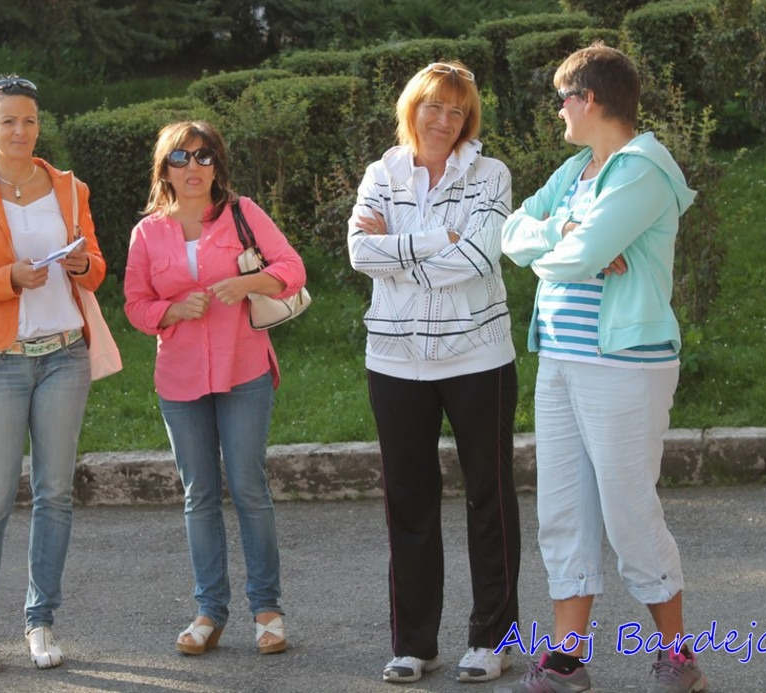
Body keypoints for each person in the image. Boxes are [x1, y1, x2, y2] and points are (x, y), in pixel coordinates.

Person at [500, 43, 703, 693]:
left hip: (623, 364)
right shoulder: (575, 171)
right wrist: (566, 234)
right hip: (560, 357)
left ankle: (678, 656)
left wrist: (567, 245)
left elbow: (576, 257)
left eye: (562, 100)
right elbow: (511, 232)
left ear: (588, 99)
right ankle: (567, 658)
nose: (558, 112)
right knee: (563, 509)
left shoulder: (643, 168)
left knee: (628, 511)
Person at [347, 62, 520, 685]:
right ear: (412, 109)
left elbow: (478, 257)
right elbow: (358, 252)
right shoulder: (382, 172)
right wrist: (433, 240)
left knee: (489, 498)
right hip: (394, 361)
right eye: (433, 106)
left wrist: (396, 249)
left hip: (478, 358)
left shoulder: (491, 174)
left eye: (457, 110)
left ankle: (493, 641)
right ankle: (415, 644)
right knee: (408, 502)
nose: (444, 120)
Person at [0, 74, 105, 675]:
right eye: (8, 121)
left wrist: (81, 264)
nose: (20, 130)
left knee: (55, 495)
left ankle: (41, 620)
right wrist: (6, 278)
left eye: (29, 120)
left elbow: (96, 268)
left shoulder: (69, 187)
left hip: (65, 356)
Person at [123, 120, 306, 658]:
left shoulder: (243, 212)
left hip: (244, 368)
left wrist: (246, 283)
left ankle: (267, 610)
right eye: (180, 158)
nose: (193, 167)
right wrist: (172, 310)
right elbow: (135, 305)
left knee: (248, 487)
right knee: (198, 495)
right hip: (179, 379)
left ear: (217, 165)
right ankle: (209, 611)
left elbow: (292, 269)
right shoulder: (147, 233)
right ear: (165, 169)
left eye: (204, 157)